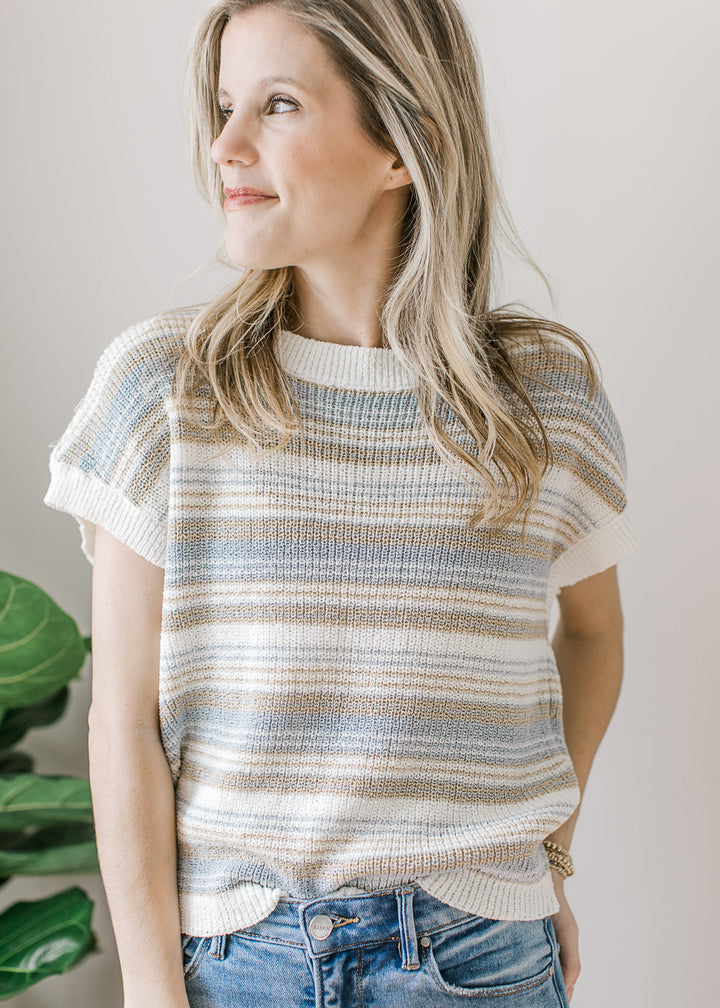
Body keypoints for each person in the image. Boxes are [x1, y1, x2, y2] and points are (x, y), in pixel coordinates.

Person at [43, 1, 639, 1006]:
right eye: (225, 105)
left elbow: (594, 637)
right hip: (239, 964)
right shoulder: (164, 394)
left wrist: (545, 865)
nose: (225, 146)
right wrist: (151, 995)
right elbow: (122, 727)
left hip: (483, 958)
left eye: (277, 105)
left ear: (407, 145)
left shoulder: (540, 400)